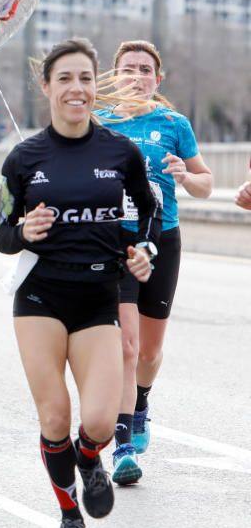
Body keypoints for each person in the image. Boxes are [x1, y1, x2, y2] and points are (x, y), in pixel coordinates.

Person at [0, 37, 160, 528]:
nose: (76, 89)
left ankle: (90, 459)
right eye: (64, 79)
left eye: (85, 78)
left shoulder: (120, 151)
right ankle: (69, 519)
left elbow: (148, 212)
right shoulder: (24, 157)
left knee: (102, 422)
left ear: (95, 86)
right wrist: (25, 231)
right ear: (47, 87)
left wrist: (143, 250)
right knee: (55, 419)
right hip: (39, 297)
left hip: (97, 299)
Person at [96, 40, 212, 485]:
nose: (137, 77)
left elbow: (205, 182)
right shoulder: (98, 122)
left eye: (145, 70)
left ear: (157, 80)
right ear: (115, 74)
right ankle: (123, 442)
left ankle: (141, 400)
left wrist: (187, 175)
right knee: (125, 345)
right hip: (117, 243)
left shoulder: (173, 123)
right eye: (128, 69)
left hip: (163, 237)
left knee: (148, 350)